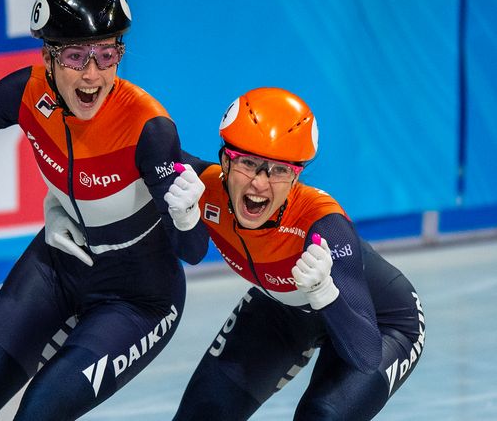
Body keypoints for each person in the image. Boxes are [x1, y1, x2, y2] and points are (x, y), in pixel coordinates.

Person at [0, 0, 208, 420]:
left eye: (106, 55)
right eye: (76, 56)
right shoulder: (25, 92)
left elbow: (192, 253)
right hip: (58, 269)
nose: (92, 74)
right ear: (48, 56)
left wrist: (187, 216)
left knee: (39, 413)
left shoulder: (148, 125)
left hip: (139, 299)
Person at [171, 87, 425, 420]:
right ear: (225, 161)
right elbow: (136, 140)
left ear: (296, 177)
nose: (260, 184)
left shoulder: (324, 226)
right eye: (248, 163)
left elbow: (366, 355)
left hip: (377, 323)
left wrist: (325, 293)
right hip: (283, 307)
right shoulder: (200, 187)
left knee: (321, 416)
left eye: (279, 170)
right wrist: (184, 221)